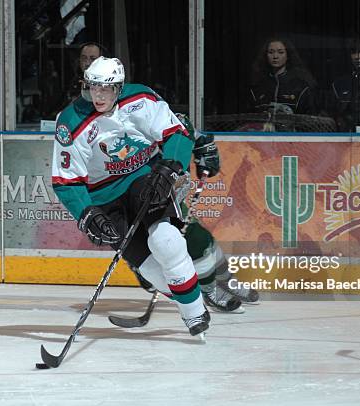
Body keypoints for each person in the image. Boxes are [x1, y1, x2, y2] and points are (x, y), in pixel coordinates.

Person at [51, 56, 210, 336]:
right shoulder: (71, 121)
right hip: (102, 195)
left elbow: (177, 133)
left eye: (105, 89)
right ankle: (189, 294)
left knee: (166, 240)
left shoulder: (141, 98)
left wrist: (170, 167)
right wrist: (86, 214)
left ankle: (195, 313)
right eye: (92, 87)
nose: (97, 95)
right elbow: (67, 180)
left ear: (119, 88)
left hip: (143, 178)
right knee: (148, 267)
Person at [130, 113, 260, 313]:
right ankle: (209, 290)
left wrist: (205, 150)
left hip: (171, 195)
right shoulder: (136, 132)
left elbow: (197, 137)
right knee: (193, 241)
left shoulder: (170, 119)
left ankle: (227, 281)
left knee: (203, 240)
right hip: (148, 199)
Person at [248, 37, 318, 116]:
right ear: (265, 55)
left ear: (288, 55)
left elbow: (310, 120)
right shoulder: (257, 89)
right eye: (271, 52)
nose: (275, 56)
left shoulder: (301, 88)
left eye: (280, 52)